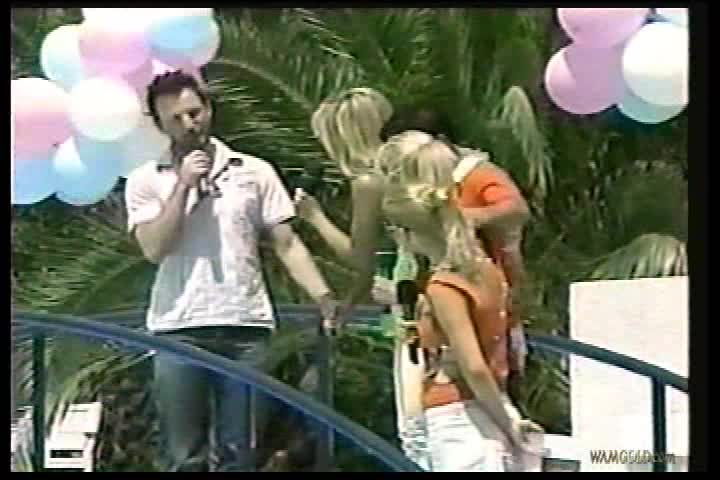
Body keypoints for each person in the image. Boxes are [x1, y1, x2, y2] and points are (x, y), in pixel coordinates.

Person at [124, 71, 340, 472]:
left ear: (209, 108)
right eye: (176, 119)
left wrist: (323, 296)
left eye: (194, 112)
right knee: (184, 455)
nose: (189, 124)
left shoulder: (253, 171)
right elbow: (154, 248)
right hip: (178, 327)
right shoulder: (145, 179)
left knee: (239, 452)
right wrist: (183, 186)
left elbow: (286, 243)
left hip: (245, 325)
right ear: (160, 125)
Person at [376, 131, 543, 471]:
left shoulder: (444, 287)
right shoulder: (487, 271)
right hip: (489, 402)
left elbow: (473, 367)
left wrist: (509, 423)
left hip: (456, 414)